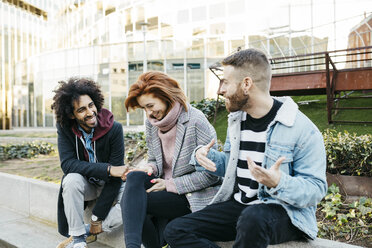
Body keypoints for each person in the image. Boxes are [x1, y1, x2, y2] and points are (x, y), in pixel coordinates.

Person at [164, 48, 328, 248]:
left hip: (284, 213)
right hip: (241, 207)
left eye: (226, 82)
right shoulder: (238, 120)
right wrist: (206, 158)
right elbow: (235, 166)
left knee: (253, 218)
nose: (220, 89)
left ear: (246, 84)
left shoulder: (302, 129)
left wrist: (278, 182)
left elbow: (316, 190)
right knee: (175, 230)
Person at [121, 71, 221, 248]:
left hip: (190, 194)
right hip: (162, 184)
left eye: (150, 106)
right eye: (144, 108)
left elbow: (212, 175)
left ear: (165, 96)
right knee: (134, 178)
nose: (149, 113)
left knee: (134, 204)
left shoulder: (196, 121)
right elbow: (154, 159)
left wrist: (170, 185)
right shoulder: (151, 123)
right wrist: (148, 168)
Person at [52, 78, 128, 248]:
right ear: (71, 114)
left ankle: (88, 230)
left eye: (91, 105)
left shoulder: (114, 129)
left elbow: (116, 177)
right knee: (70, 180)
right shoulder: (65, 128)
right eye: (81, 109)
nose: (90, 112)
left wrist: (96, 218)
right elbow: (68, 164)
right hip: (88, 185)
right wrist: (108, 169)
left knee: (135, 195)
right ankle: (78, 239)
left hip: (111, 184)